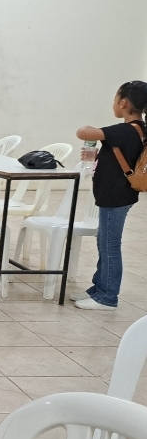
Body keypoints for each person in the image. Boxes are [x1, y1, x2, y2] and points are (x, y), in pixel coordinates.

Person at [72, 80, 147, 310]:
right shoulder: (139, 129)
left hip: (116, 196)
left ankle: (107, 297)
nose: (113, 103)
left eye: (115, 99)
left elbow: (83, 132)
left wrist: (88, 128)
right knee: (104, 241)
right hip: (117, 195)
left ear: (123, 103)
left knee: (109, 245)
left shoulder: (124, 130)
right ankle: (99, 287)